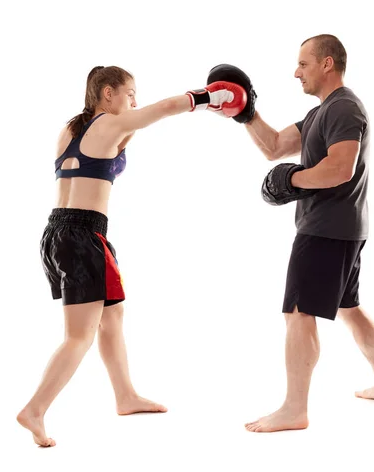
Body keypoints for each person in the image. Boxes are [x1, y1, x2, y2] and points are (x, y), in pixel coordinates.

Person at [16, 65, 246, 447]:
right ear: (108, 93)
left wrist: (133, 122)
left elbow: (121, 138)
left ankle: (125, 395)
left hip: (59, 233)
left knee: (112, 314)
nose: (134, 101)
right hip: (82, 236)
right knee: (79, 336)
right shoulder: (107, 126)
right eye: (129, 93)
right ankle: (35, 410)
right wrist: (212, 98)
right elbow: (168, 106)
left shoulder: (73, 129)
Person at [238, 34, 374, 433]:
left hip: (326, 227)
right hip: (342, 226)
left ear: (328, 63)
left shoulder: (343, 107)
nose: (296, 72)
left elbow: (339, 168)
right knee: (349, 308)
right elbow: (275, 146)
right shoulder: (320, 113)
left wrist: (293, 180)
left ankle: (295, 409)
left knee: (298, 313)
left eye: (303, 64)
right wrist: (246, 113)